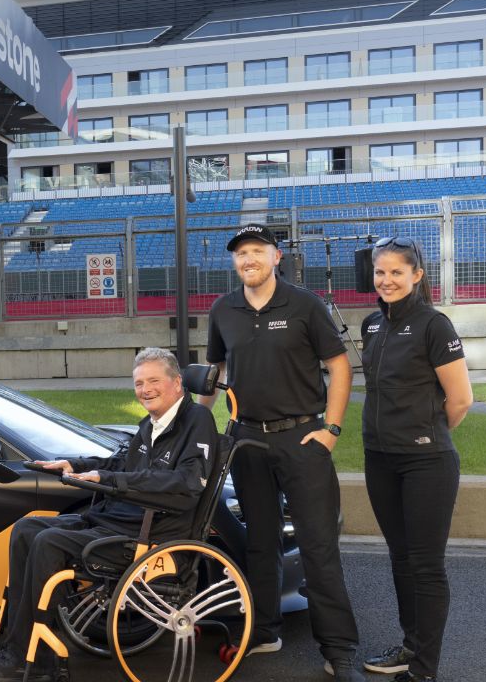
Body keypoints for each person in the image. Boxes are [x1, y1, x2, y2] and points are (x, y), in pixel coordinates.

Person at [0, 347, 216, 682]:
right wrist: (76, 466)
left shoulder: (197, 421)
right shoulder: (152, 423)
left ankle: (31, 658)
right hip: (116, 520)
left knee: (49, 542)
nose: (145, 389)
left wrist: (110, 480)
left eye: (153, 381)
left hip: (150, 534)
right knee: (26, 530)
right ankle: (24, 645)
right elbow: (120, 464)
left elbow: (187, 483)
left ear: (177, 383)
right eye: (138, 383)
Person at [201, 224, 363, 682]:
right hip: (247, 440)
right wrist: (198, 423)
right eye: (240, 253)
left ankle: (339, 648)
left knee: (317, 546)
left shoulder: (304, 304)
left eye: (256, 251)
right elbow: (213, 371)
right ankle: (264, 630)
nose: (247, 259)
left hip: (303, 438)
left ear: (275, 256)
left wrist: (331, 429)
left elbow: (339, 365)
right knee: (261, 542)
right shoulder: (223, 309)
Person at [360, 237, 472, 682]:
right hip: (379, 459)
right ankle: (410, 646)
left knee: (425, 565)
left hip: (426, 463)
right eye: (380, 272)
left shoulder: (434, 325)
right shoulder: (372, 325)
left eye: (396, 273)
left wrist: (425, 433)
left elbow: (461, 400)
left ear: (417, 275)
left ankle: (424, 668)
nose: (386, 280)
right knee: (400, 558)